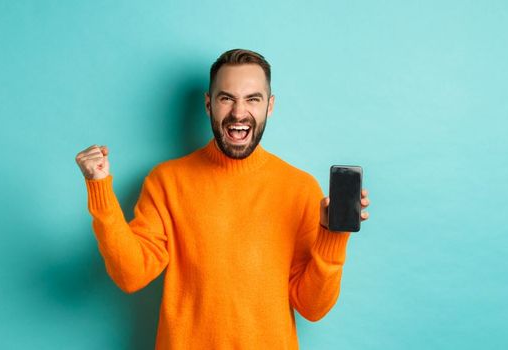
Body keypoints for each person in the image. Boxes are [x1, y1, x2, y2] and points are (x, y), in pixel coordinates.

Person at [74, 48, 371, 349]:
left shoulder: (300, 188)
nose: (238, 113)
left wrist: (334, 236)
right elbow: (131, 275)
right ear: (208, 104)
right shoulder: (166, 181)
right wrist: (100, 190)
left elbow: (313, 307)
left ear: (269, 106)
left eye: (252, 99)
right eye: (226, 98)